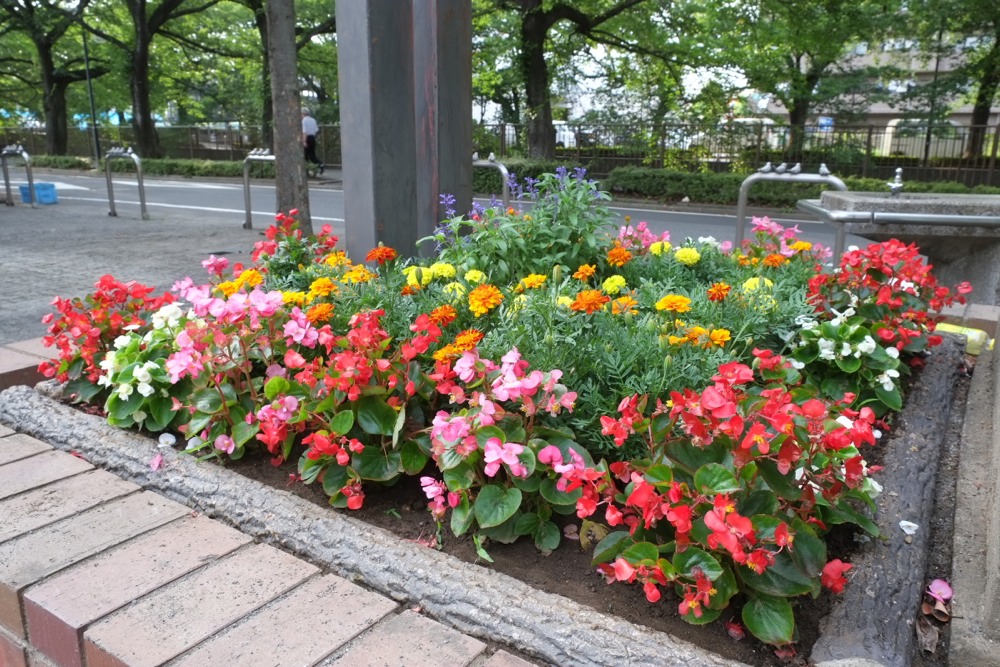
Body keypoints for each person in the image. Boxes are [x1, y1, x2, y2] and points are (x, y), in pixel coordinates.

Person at [301, 108, 324, 175]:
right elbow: (316, 129)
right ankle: (320, 164)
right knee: (312, 155)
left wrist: (304, 141)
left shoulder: (304, 121)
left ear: (303, 114)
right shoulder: (313, 120)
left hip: (307, 138)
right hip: (312, 137)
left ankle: (306, 170)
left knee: (305, 155)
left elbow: (304, 131)